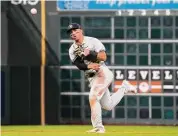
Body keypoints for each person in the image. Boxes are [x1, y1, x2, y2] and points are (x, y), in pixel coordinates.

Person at [67, 23, 137, 133]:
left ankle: (98, 127)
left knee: (93, 97)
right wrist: (89, 65)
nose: (73, 33)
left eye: (75, 30)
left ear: (81, 30)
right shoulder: (72, 49)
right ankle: (125, 88)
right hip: (92, 78)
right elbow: (79, 66)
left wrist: (90, 54)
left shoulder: (92, 41)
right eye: (71, 32)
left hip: (102, 73)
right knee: (107, 105)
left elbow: (104, 57)